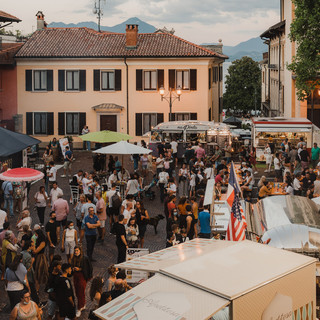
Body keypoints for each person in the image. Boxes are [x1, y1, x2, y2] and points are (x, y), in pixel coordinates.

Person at [71, 246, 93, 316]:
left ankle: (79, 307)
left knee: (80, 291)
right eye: (75, 251)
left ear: (80, 251)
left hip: (82, 277)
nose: (75, 252)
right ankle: (82, 304)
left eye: (77, 251)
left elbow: (89, 268)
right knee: (77, 292)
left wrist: (80, 269)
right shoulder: (73, 258)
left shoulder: (84, 258)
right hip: (75, 276)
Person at [21, 241, 39, 305]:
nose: (34, 247)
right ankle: (37, 303)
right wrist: (32, 262)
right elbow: (27, 269)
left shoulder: (21, 253)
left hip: (21, 276)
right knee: (32, 290)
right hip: (28, 276)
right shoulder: (28, 256)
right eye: (32, 246)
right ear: (29, 247)